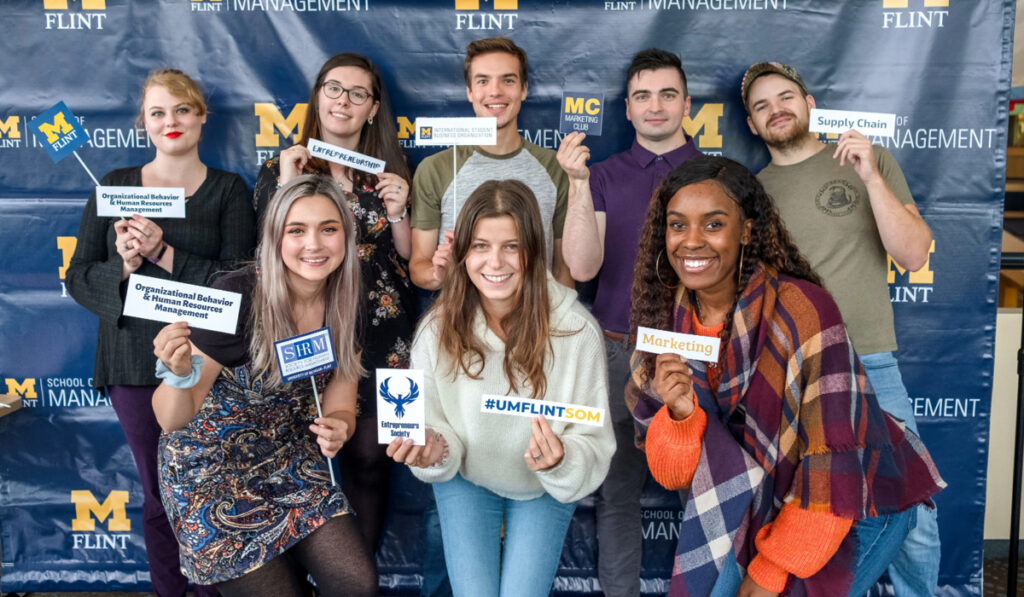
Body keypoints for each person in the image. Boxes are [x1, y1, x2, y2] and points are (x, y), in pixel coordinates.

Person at [625, 156, 944, 596]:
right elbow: (674, 475)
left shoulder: (801, 311)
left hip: (853, 501)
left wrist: (770, 571)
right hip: (755, 509)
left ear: (748, 231)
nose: (691, 241)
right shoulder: (668, 319)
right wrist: (679, 416)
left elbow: (832, 465)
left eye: (713, 225)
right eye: (678, 225)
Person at [741, 61, 941, 595]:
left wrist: (871, 176)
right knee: (811, 509)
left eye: (784, 97)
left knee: (915, 517)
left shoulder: (867, 163)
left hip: (872, 362)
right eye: (761, 106)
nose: (775, 109)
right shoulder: (753, 196)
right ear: (753, 125)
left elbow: (914, 252)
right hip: (799, 377)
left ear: (809, 104)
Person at [65, 68, 255, 597]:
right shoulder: (114, 186)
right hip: (129, 360)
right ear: (143, 123)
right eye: (157, 112)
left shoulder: (228, 190)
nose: (170, 121)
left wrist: (165, 253)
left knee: (211, 490)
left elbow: (243, 282)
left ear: (201, 117)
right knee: (158, 496)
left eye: (181, 110)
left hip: (208, 363)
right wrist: (125, 265)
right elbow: (78, 277)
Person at [151, 175, 376, 597]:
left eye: (328, 228)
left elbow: (342, 399)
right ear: (275, 239)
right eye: (297, 230)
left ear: (346, 236)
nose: (314, 244)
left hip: (289, 459)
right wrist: (178, 372)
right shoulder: (240, 296)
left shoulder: (349, 299)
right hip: (211, 470)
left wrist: (340, 426)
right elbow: (172, 418)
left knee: (356, 583)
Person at [389, 179, 616, 597]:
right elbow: (437, 437)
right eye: (479, 246)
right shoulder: (435, 332)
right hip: (467, 479)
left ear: (534, 250)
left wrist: (561, 459)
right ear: (462, 252)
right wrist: (432, 449)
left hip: (544, 486)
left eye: (511, 246)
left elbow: (592, 436)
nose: (495, 262)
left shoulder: (577, 331)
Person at [253, 52, 417, 554]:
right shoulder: (281, 166)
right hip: (310, 331)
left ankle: (356, 578)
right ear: (318, 97)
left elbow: (409, 259)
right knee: (311, 460)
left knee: (373, 461)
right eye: (334, 88)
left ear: (372, 109)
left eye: (358, 93)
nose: (344, 100)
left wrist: (400, 210)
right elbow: (265, 252)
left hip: (387, 335)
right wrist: (285, 183)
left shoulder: (390, 174)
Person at [556, 47, 701, 597]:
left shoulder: (720, 176)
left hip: (696, 356)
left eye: (668, 94)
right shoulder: (603, 175)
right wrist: (574, 182)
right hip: (616, 352)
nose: (656, 106)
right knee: (617, 498)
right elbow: (582, 267)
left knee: (706, 494)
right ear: (628, 107)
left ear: (686, 103)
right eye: (643, 95)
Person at [409, 36, 572, 292]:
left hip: (537, 321)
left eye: (508, 80)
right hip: (460, 322)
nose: (495, 91)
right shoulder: (435, 169)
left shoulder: (556, 167)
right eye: (483, 81)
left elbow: (563, 269)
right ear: (469, 92)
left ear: (524, 89)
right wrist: (437, 274)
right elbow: (419, 265)